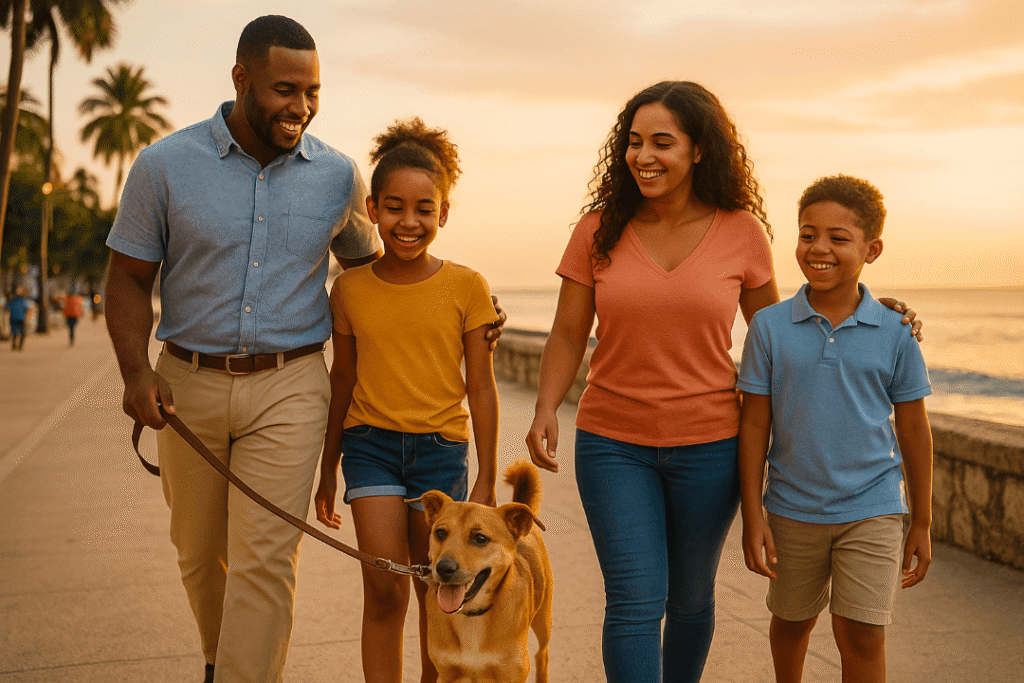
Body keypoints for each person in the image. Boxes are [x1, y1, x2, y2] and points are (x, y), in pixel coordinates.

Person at [104, 17, 503, 683]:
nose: (302, 105)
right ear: (242, 80)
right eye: (286, 89)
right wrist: (135, 368)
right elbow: (127, 277)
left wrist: (467, 317)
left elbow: (379, 274)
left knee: (265, 558)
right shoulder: (163, 166)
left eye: (312, 90)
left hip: (291, 386)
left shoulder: (337, 176)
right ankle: (218, 658)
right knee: (201, 556)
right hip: (185, 382)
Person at [525, 81, 922, 683]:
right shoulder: (597, 229)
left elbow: (781, 329)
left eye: (663, 142)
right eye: (633, 142)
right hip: (613, 443)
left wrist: (868, 308)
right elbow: (566, 334)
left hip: (709, 446)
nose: (644, 156)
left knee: (688, 600)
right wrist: (546, 408)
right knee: (634, 600)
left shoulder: (740, 232)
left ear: (700, 150)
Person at [314, 118, 499, 683]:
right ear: (372, 209)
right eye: (395, 207)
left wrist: (487, 479)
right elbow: (340, 383)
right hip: (370, 448)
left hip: (441, 451)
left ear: (443, 213)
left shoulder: (467, 287)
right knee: (384, 586)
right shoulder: (348, 289)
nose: (409, 222)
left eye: (424, 209)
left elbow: (482, 387)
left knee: (439, 586)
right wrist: (328, 472)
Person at [737, 175, 933, 683]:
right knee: (791, 622)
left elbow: (914, 430)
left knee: (863, 633)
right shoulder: (770, 327)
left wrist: (923, 521)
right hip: (792, 508)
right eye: (807, 234)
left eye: (838, 238)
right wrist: (752, 512)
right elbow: (755, 422)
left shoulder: (896, 332)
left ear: (872, 249)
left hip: (873, 507)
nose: (819, 248)